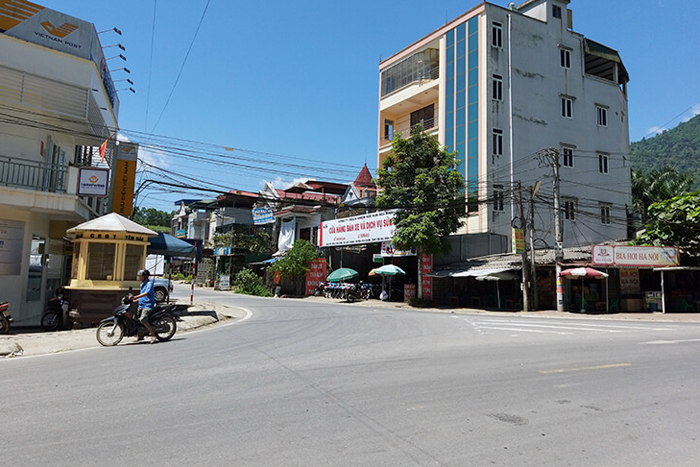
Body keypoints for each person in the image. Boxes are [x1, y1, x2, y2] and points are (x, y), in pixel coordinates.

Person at [130, 269, 157, 344]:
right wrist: (137, 299)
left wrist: (136, 297)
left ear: (145, 276)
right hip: (141, 305)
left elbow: (146, 293)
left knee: (143, 319)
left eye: (141, 276)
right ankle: (140, 335)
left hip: (148, 305)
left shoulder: (149, 283)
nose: (139, 278)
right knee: (136, 320)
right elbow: (142, 295)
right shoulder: (142, 284)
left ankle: (153, 335)